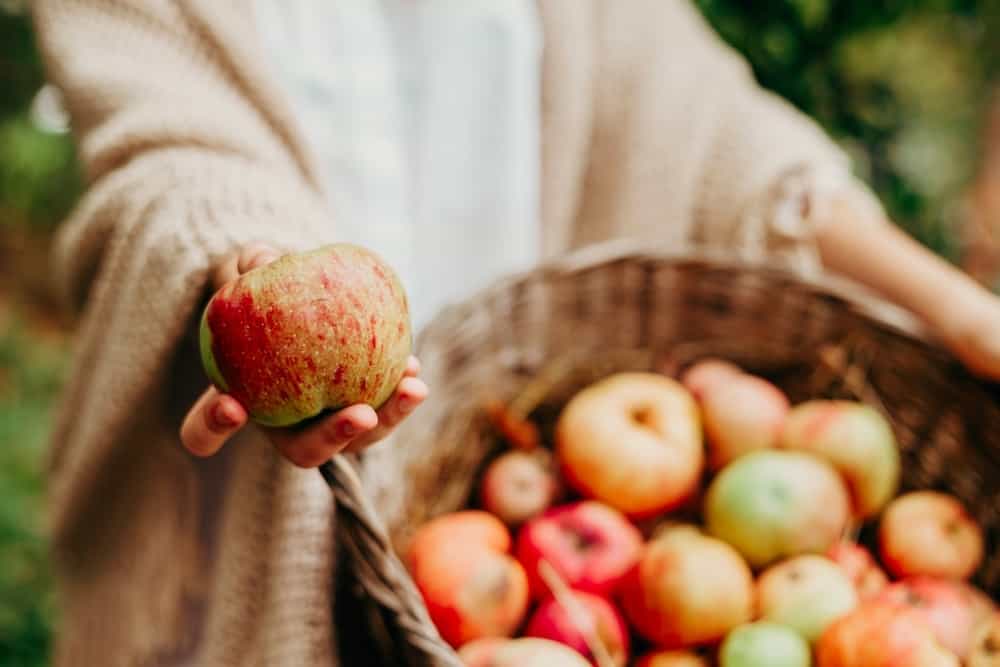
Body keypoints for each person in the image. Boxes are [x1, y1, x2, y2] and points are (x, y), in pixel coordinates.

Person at [30, 1, 1000, 665]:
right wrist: (249, 272)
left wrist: (958, 311)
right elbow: (171, 148)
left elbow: (708, 134)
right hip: (276, 483)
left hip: (515, 400)